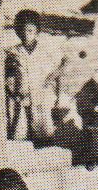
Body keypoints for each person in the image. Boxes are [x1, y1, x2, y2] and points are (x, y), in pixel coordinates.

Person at [5, 10, 64, 143]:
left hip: (41, 98)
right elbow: (8, 75)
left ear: (37, 31)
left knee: (44, 134)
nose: (26, 35)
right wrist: (12, 91)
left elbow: (60, 68)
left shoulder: (45, 51)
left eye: (30, 31)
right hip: (21, 99)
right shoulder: (13, 52)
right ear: (17, 32)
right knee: (20, 135)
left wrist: (52, 90)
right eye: (22, 31)